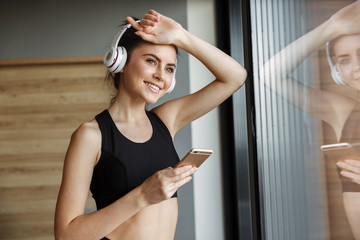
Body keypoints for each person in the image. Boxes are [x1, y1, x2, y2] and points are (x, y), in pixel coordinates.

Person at [54, 9, 247, 240]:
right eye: (151, 61)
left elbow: (235, 76)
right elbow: (66, 234)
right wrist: (143, 195)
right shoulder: (90, 135)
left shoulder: (166, 120)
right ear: (121, 61)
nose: (161, 76)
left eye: (169, 69)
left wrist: (181, 36)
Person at [261, 1, 360, 238]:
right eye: (344, 60)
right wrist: (330, 28)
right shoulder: (345, 113)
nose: (356, 68)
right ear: (336, 71)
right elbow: (271, 75)